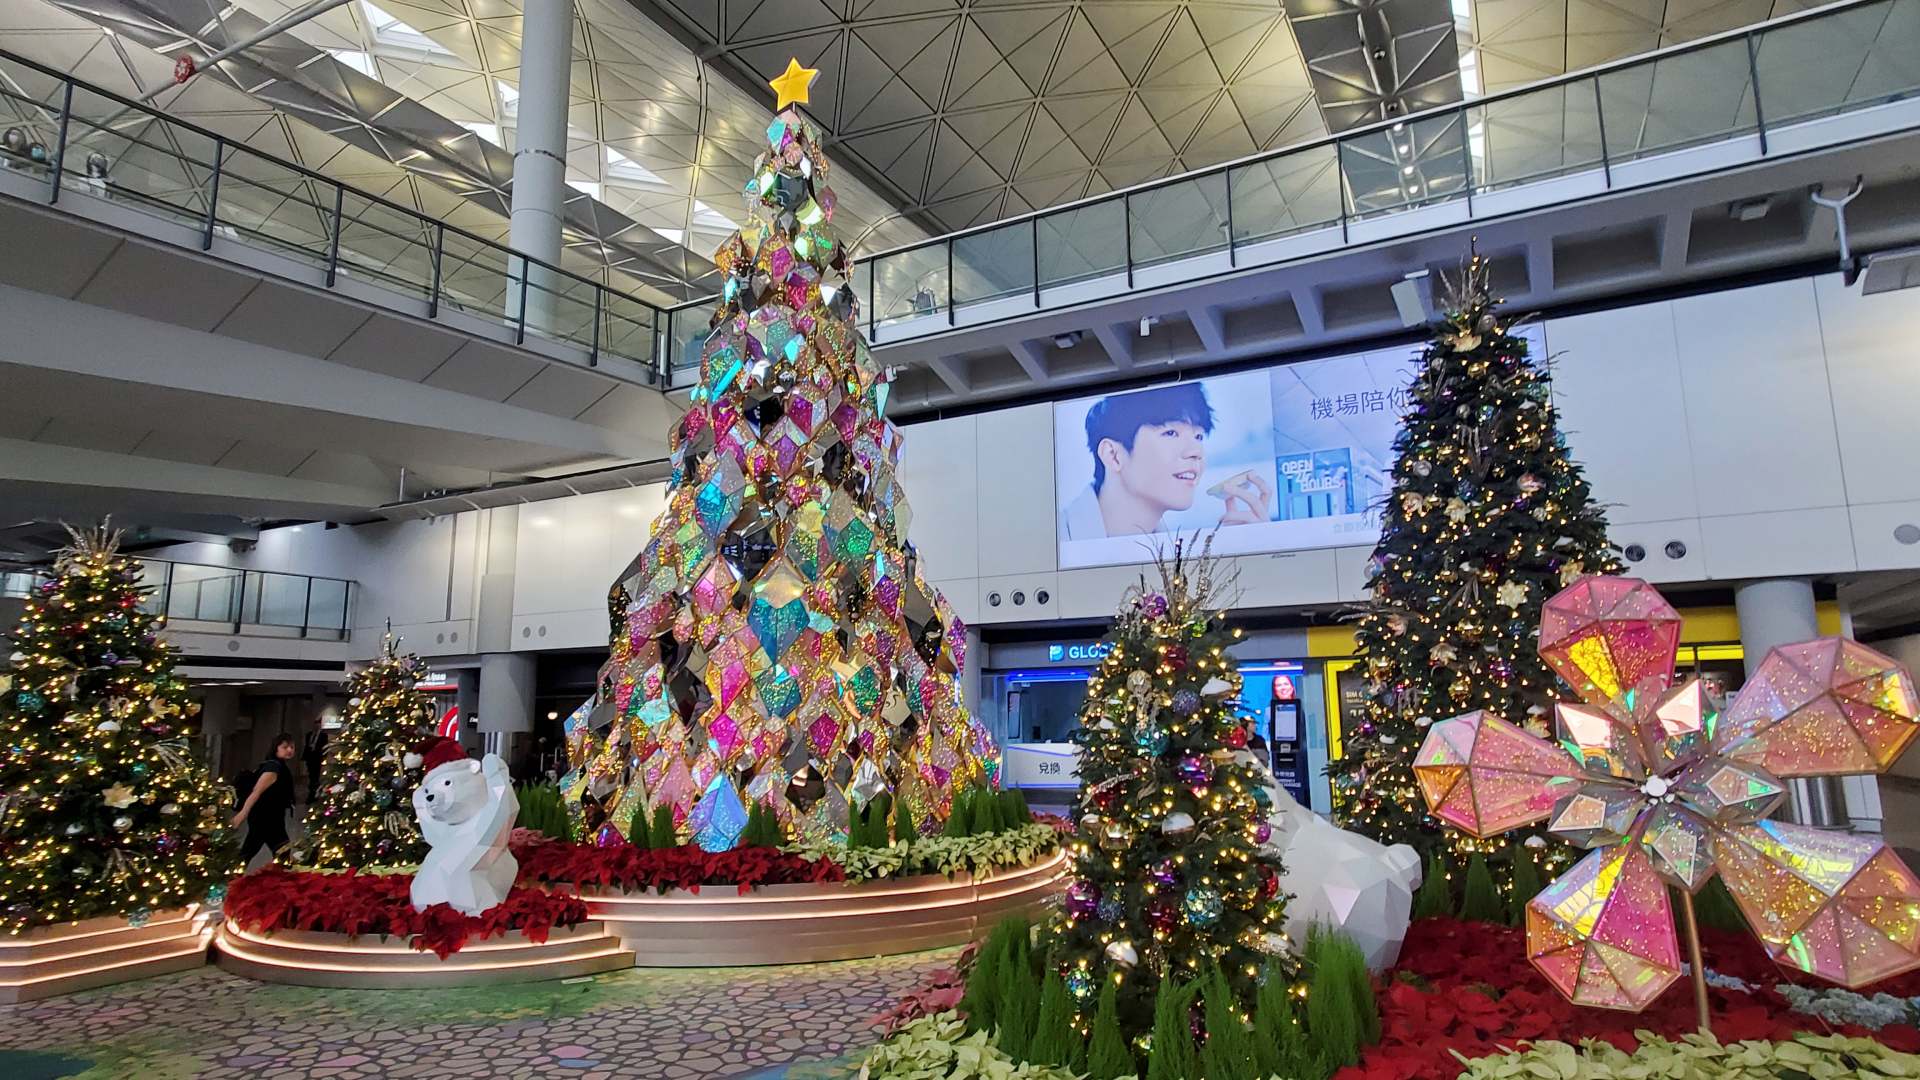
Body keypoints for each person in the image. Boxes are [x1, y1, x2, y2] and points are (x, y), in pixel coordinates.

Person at [1058, 383, 1272, 540]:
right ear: (1113, 455)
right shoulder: (1055, 539)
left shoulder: (1177, 553)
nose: (1196, 452)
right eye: (1171, 433)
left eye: (1198, 437)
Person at [233, 734, 297, 869]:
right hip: (265, 817)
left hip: (270, 817)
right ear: (276, 748)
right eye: (285, 747)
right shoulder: (273, 768)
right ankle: (230, 877)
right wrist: (243, 813)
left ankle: (231, 875)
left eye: (292, 747)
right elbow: (256, 791)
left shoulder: (277, 765)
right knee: (280, 851)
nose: (289, 750)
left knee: (251, 849)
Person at [302, 729, 328, 802]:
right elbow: (307, 745)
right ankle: (312, 793)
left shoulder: (323, 735)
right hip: (310, 757)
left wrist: (323, 757)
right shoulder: (309, 734)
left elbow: (325, 746)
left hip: (317, 758)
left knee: (315, 777)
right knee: (311, 776)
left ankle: (314, 794)